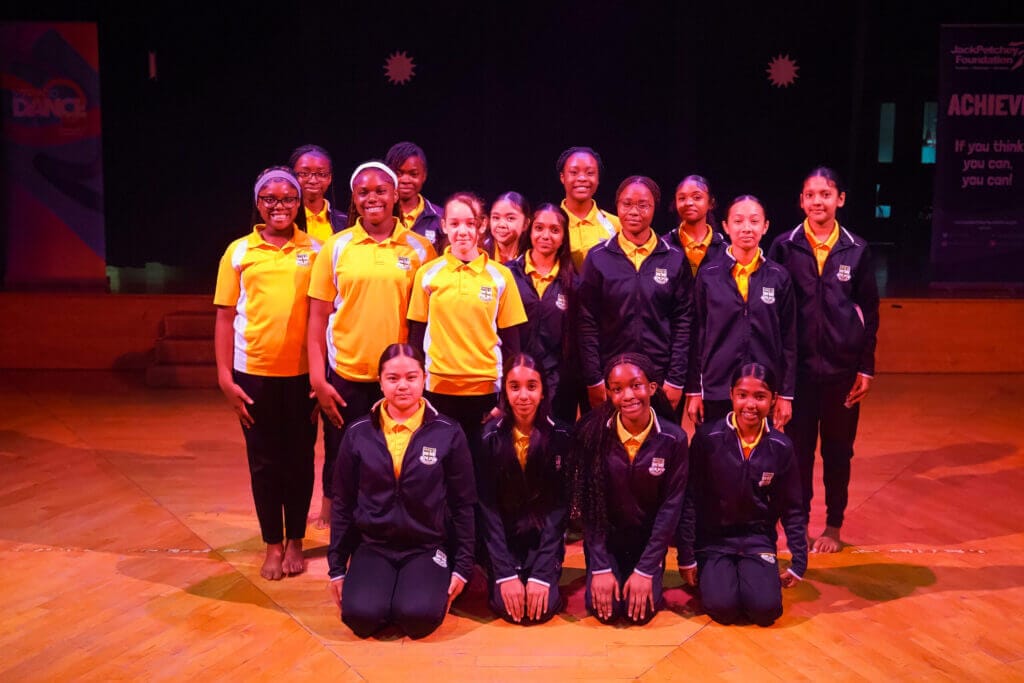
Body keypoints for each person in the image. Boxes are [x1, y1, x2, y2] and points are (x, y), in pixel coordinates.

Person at [308, 161, 436, 529]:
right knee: (342, 457)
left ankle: (391, 528)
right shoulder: (337, 247)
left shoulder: (420, 248)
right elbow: (317, 317)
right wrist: (318, 379)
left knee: (396, 458)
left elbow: (427, 318)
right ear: (354, 198)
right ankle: (340, 531)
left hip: (399, 379)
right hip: (346, 374)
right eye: (363, 192)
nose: (372, 198)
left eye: (381, 191)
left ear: (395, 195)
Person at [327, 344, 476, 639]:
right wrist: (337, 568)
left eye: (411, 377)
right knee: (360, 617)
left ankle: (407, 593)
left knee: (419, 618)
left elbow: (464, 504)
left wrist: (462, 567)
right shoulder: (357, 433)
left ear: (424, 378)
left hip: (427, 545)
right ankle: (381, 592)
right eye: (393, 378)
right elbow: (343, 503)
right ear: (380, 382)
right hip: (374, 545)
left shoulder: (448, 432)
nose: (403, 386)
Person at [214, 166, 319, 580]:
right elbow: (225, 318)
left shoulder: (316, 249)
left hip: (303, 376)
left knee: (301, 461)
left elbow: (325, 317)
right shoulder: (238, 252)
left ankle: (296, 540)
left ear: (299, 203)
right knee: (263, 463)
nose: (279, 206)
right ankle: (273, 543)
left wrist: (321, 376)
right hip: (253, 375)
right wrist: (225, 378)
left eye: (288, 199)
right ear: (258, 203)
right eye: (270, 199)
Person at [767, 167, 880, 553]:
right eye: (811, 195)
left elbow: (869, 311)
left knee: (838, 451)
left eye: (826, 194)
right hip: (797, 375)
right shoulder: (784, 246)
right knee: (797, 453)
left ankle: (833, 525)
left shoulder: (856, 249)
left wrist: (865, 366)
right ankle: (798, 525)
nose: (818, 201)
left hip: (841, 373)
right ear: (801, 201)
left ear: (840, 199)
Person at [677, 363, 807, 627]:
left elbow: (792, 506)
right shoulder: (707, 438)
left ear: (773, 399)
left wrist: (799, 560)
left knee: (765, 611)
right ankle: (717, 577)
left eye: (760, 396)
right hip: (713, 540)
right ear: (731, 395)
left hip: (757, 539)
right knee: (723, 609)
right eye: (742, 395)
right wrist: (687, 556)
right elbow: (689, 499)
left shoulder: (781, 446)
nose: (750, 404)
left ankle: (746, 577)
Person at [570, 353, 688, 625]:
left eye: (636, 386)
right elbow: (589, 508)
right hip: (607, 542)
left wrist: (646, 569)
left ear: (652, 388)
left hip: (647, 545)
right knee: (607, 611)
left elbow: (671, 509)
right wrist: (600, 567)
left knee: (640, 614)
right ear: (609, 393)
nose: (628, 396)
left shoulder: (674, 439)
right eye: (617, 389)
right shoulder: (593, 435)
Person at [407, 192, 527, 449]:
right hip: (437, 389)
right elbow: (416, 338)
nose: (462, 231)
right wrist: (416, 388)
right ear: (444, 225)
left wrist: (505, 399)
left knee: (481, 466)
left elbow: (512, 345)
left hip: (486, 391)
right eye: (455, 223)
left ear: (482, 225)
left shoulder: (501, 276)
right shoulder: (427, 274)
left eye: (470, 223)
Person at [578, 176, 693, 419]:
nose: (634, 212)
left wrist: (676, 380)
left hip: (660, 378)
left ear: (654, 208)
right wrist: (594, 379)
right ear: (617, 206)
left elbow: (683, 323)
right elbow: (586, 322)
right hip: (611, 378)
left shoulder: (674, 258)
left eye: (643, 205)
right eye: (627, 204)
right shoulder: (598, 257)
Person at [685, 195, 796, 428]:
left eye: (754, 221)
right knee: (714, 450)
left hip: (763, 390)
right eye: (738, 221)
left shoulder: (779, 276)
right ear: (726, 226)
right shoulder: (708, 275)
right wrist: (694, 390)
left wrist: (785, 394)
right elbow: (696, 335)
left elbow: (789, 340)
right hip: (716, 388)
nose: (746, 228)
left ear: (765, 226)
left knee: (759, 450)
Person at [477, 354, 571, 624]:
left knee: (540, 610)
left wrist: (541, 573)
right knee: (510, 610)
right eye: (514, 387)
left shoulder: (562, 437)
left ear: (543, 392)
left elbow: (558, 512)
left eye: (532, 386)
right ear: (505, 392)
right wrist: (505, 574)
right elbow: (488, 511)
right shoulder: (488, 438)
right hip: (504, 544)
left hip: (542, 543)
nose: (523, 396)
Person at [507, 203, 579, 423]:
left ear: (564, 236)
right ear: (530, 230)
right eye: (539, 228)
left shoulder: (573, 283)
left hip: (555, 383)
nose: (545, 236)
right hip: (512, 378)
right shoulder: (507, 274)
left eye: (554, 230)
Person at [556, 146, 621, 271]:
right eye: (574, 172)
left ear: (598, 178)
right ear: (562, 177)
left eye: (590, 173)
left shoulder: (616, 225)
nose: (582, 178)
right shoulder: (549, 223)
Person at [385, 141, 444, 249]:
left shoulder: (440, 218)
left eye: (413, 174)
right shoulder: (379, 215)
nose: (405, 180)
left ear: (424, 175)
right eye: (398, 174)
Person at [665, 175, 727, 277]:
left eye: (697, 197)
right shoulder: (663, 247)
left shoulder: (725, 251)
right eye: (682, 198)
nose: (688, 203)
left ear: (711, 203)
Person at [290, 144, 347, 243]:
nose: (313, 180)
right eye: (304, 173)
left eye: (321, 174)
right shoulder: (285, 220)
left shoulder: (345, 222)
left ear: (329, 178)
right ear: (292, 176)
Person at [485, 191, 530, 263]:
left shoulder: (531, 258)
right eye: (496, 218)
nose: (502, 225)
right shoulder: (480, 254)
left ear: (525, 224)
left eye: (510, 218)